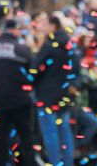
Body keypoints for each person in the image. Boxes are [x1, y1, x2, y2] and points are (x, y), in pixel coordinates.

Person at [0, 19, 35, 166]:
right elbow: (33, 73)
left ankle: (3, 162)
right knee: (26, 135)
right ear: (15, 31)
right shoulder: (22, 49)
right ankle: (28, 163)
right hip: (19, 100)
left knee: (1, 136)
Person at [32, 14, 79, 166]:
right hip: (63, 96)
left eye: (45, 24)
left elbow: (34, 68)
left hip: (46, 96)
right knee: (65, 133)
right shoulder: (69, 45)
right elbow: (76, 68)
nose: (42, 28)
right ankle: (68, 163)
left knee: (50, 134)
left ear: (53, 26)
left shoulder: (50, 45)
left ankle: (55, 162)